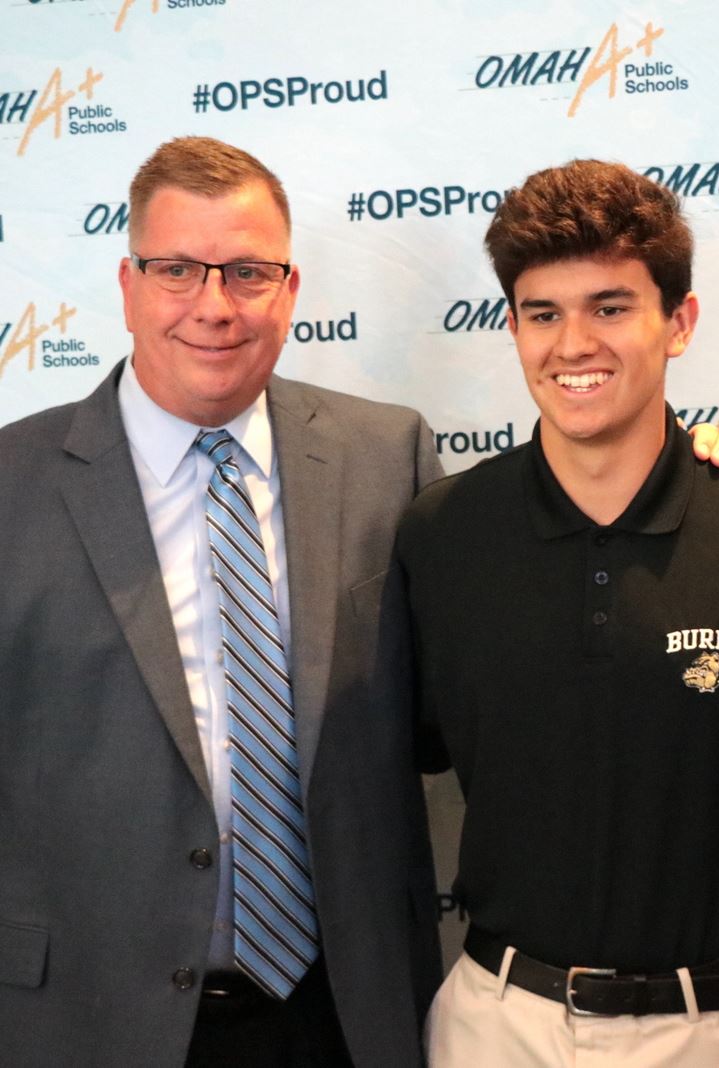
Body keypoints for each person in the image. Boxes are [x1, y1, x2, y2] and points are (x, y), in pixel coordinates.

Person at [397, 159, 719, 1067]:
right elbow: (400, 758)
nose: (574, 344)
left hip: (713, 1030)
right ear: (514, 327)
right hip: (496, 1025)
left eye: (610, 307)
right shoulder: (441, 533)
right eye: (542, 314)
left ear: (678, 321)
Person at [0, 136, 443, 1068]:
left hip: (343, 1015)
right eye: (176, 270)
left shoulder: (387, 460)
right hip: (84, 1017)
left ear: (289, 290)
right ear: (126, 285)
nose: (212, 305)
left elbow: (477, 676)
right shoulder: (10, 485)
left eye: (246, 272)